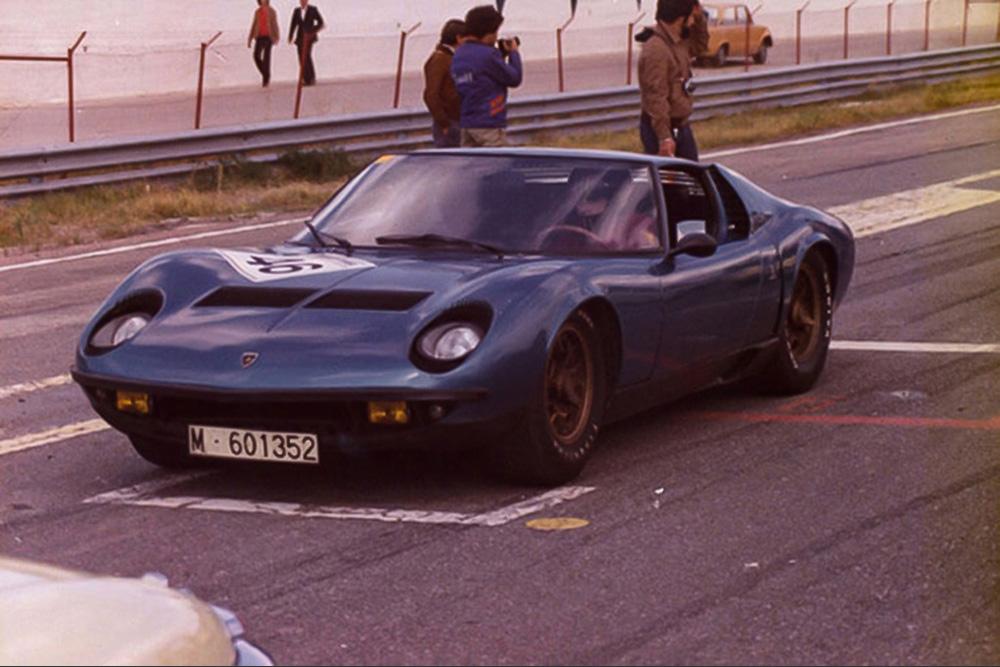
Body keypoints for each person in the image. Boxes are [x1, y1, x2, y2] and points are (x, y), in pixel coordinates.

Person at [636, 0, 708, 160]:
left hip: (680, 126)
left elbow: (700, 47)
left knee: (693, 173)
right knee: (668, 176)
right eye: (691, 17)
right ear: (681, 19)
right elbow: (656, 97)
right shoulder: (657, 50)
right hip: (662, 130)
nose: (692, 22)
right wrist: (664, 137)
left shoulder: (677, 42)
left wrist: (700, 18)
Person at [450, 5, 523, 148]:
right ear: (488, 31)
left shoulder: (459, 54)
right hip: (489, 123)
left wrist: (500, 55)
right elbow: (514, 78)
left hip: (467, 122)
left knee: (471, 161)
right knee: (498, 161)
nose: (496, 37)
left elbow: (483, 72)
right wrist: (514, 53)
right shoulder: (488, 55)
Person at [422, 19, 466, 148]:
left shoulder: (450, 58)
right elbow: (431, 95)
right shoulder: (440, 60)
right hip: (450, 123)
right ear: (459, 38)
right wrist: (444, 123)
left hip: (457, 120)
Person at [288, 0, 325, 86]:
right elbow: (293, 24)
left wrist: (312, 30)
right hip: (300, 38)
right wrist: (290, 36)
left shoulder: (313, 9)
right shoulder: (296, 11)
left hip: (309, 37)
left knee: (307, 56)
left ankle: (310, 78)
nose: (303, 1)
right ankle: (305, 78)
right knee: (301, 58)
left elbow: (321, 23)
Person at [247, 0, 280, 87]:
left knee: (266, 58)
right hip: (259, 37)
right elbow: (254, 25)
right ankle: (266, 74)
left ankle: (265, 80)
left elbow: (275, 24)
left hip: (269, 37)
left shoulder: (272, 12)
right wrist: (250, 39)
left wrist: (276, 37)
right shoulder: (257, 12)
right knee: (256, 56)